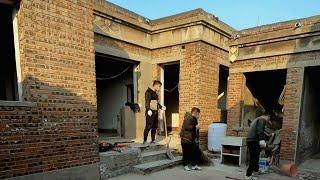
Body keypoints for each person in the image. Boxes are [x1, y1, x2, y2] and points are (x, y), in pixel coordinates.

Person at [245, 114, 272, 180]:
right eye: (269, 118)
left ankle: (256, 172)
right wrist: (262, 140)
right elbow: (260, 130)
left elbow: (261, 130)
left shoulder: (256, 120)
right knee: (254, 158)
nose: (269, 120)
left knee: (255, 157)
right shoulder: (262, 119)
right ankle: (248, 175)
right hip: (254, 141)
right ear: (267, 116)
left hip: (250, 140)